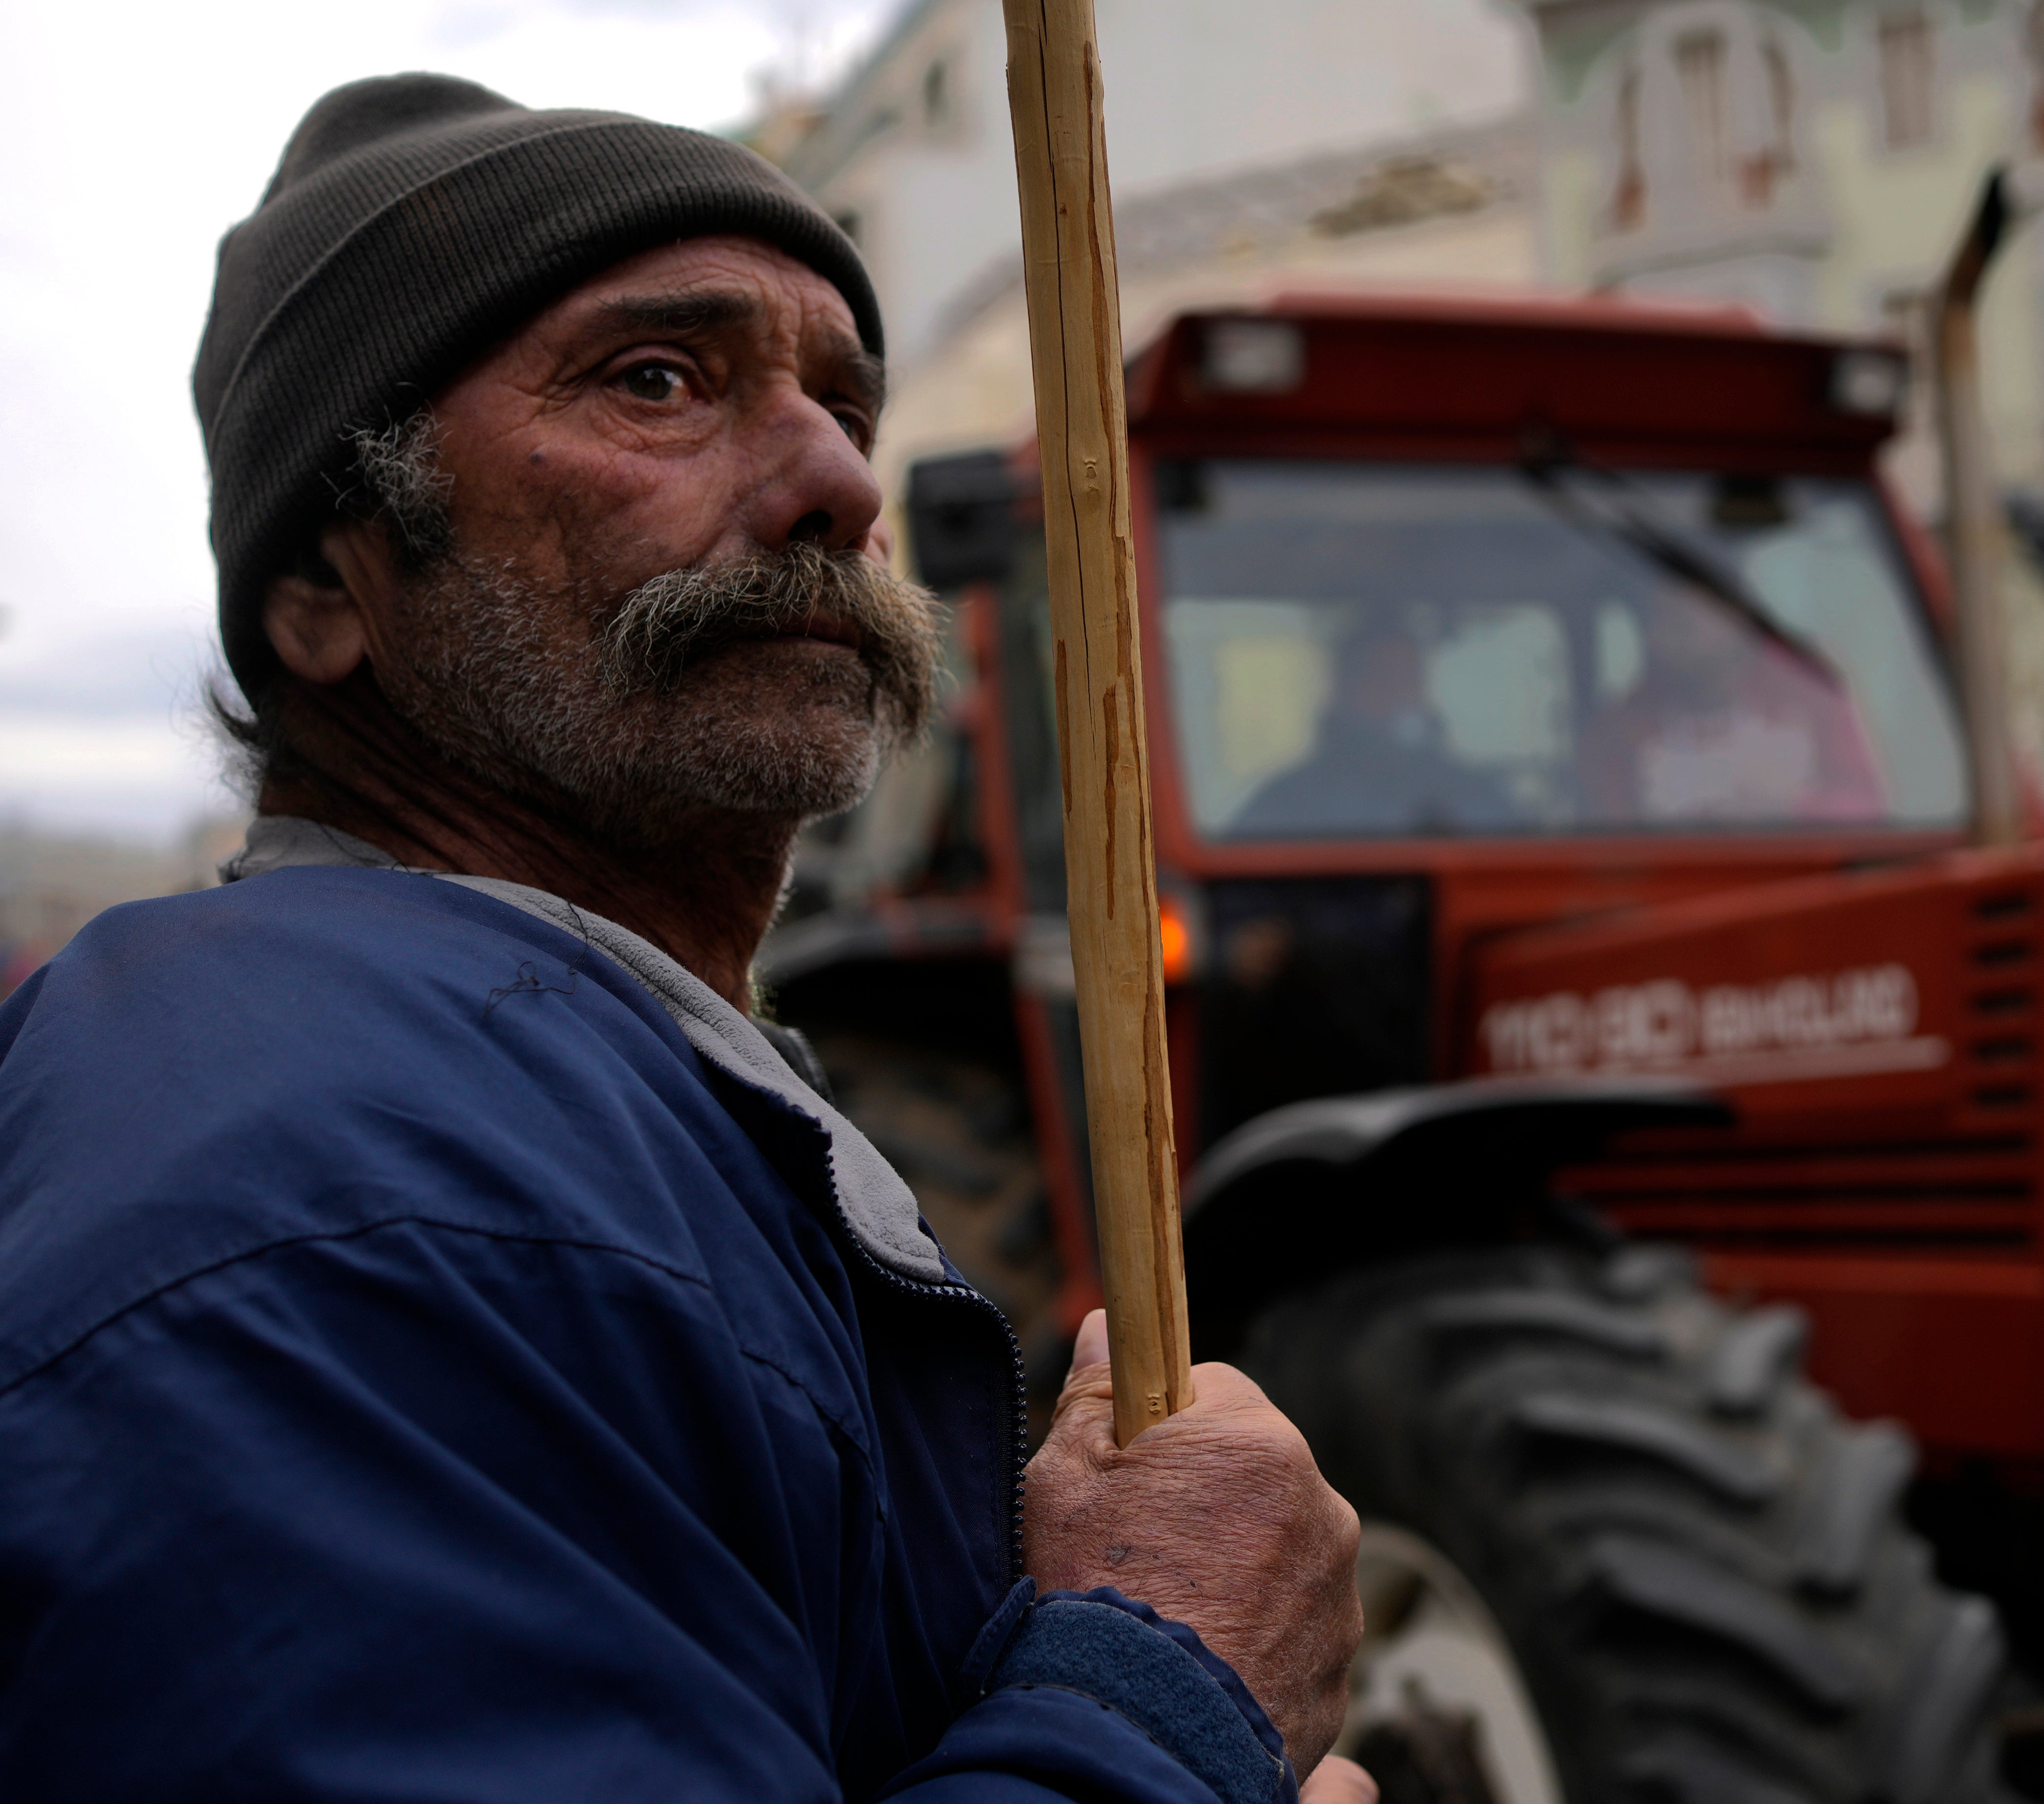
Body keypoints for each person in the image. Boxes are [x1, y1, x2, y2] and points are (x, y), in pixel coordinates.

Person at [0, 75, 1368, 1804]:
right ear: (326, 586)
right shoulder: (334, 1193)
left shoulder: (551, 1100)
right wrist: (1170, 1687)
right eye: (659, 379)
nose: (837, 481)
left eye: (842, 400)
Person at [1579, 581, 1887, 828]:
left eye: (1682, 620)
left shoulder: (1808, 688)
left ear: (1733, 616)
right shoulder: (1620, 731)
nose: (1664, 637)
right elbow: (1612, 845)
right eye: (1655, 620)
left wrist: (1791, 812)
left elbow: (1867, 806)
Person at [1230, 621, 1519, 837]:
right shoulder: (1291, 804)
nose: (1400, 694)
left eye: (1410, 677)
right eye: (1383, 677)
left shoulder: (1474, 796)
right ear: (1347, 690)